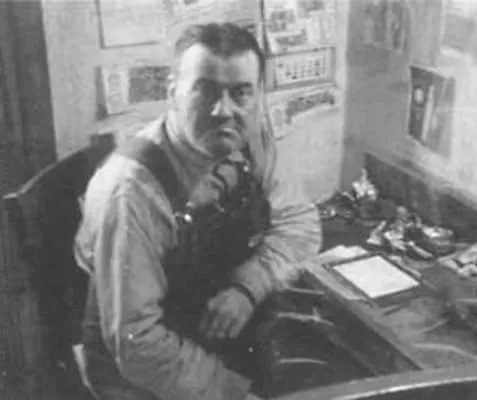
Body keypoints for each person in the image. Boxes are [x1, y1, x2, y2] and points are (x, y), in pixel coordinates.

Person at [74, 22, 322, 400]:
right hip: (142, 371)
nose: (224, 111)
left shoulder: (249, 138)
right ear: (172, 92)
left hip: (208, 333)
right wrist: (233, 393)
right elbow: (137, 344)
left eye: (241, 93)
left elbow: (300, 222)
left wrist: (247, 288)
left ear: (258, 95)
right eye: (205, 91)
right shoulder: (130, 192)